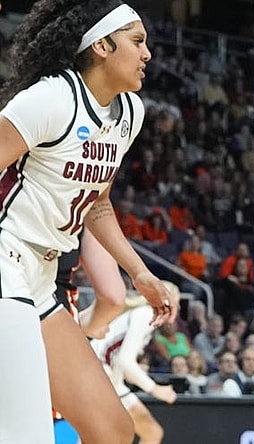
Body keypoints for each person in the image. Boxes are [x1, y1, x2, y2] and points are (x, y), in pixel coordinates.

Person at [0, 1, 176, 442]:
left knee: (112, 430)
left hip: (42, 276)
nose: (147, 54)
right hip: (5, 256)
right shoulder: (52, 97)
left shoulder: (129, 114)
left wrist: (141, 273)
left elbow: (97, 203)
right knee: (27, 433)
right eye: (137, 41)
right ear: (101, 45)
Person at [89, 286, 181, 444]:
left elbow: (121, 360)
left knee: (151, 433)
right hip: (98, 377)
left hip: (111, 380)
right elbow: (125, 360)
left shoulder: (144, 316)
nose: (178, 308)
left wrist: (134, 375)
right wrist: (155, 388)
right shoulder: (146, 314)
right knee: (114, 437)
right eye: (176, 302)